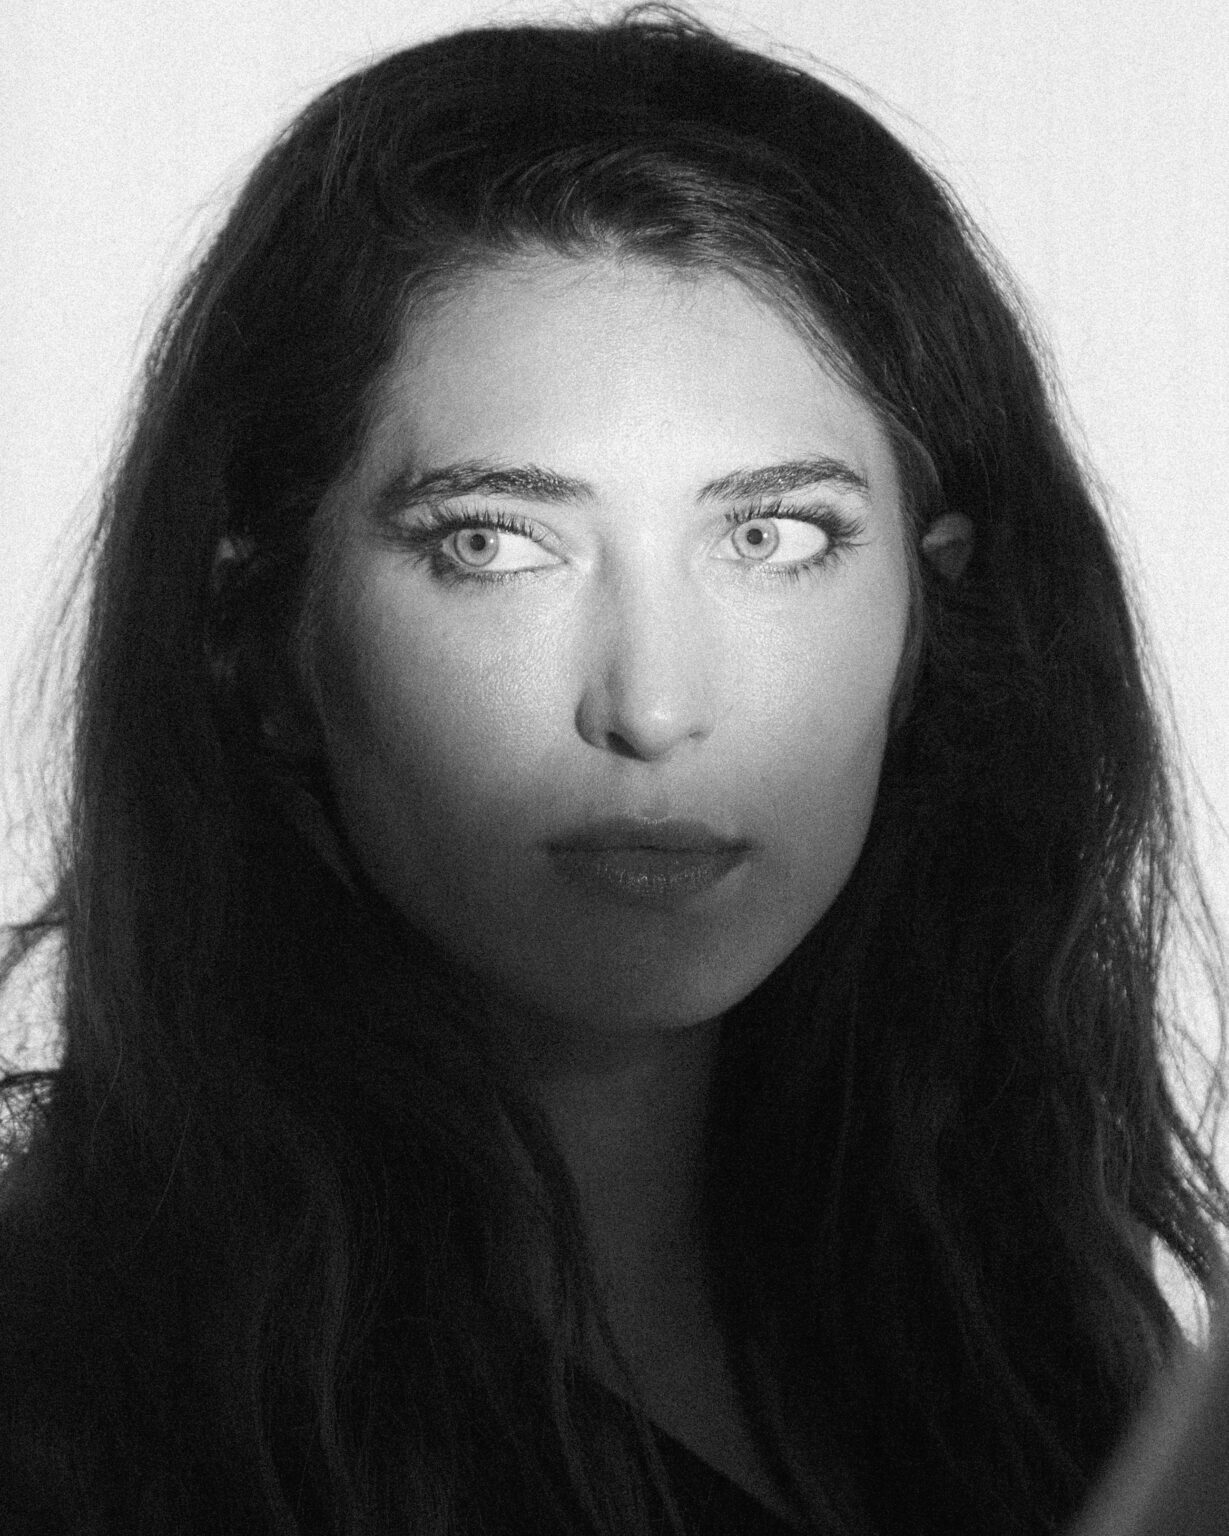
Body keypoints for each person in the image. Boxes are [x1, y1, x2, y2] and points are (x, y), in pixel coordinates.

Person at [0, 5, 1226, 1533]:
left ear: (931, 617)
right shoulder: (54, 1405)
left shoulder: (1040, 1347)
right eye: (492, 544)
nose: (650, 705)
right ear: (260, 640)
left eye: (770, 536)